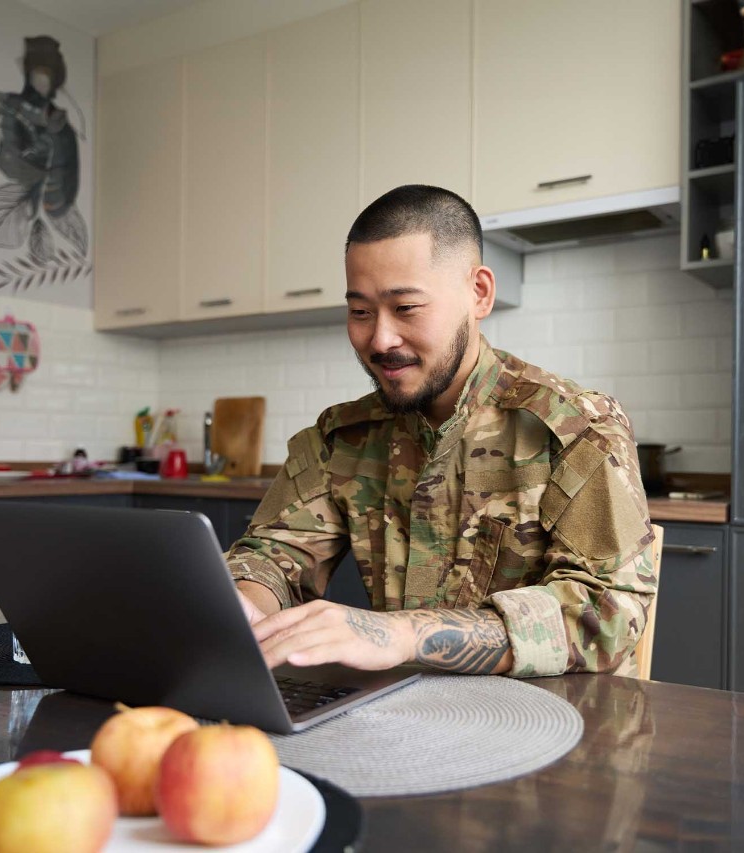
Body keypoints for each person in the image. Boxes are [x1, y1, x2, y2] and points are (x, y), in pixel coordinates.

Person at [228, 185, 656, 678]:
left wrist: (405, 633)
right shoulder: (341, 438)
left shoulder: (574, 427)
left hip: (553, 720)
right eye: (360, 312)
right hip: (401, 717)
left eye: (406, 308)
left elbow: (607, 614)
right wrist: (245, 602)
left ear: (479, 293)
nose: (380, 339)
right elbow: (272, 554)